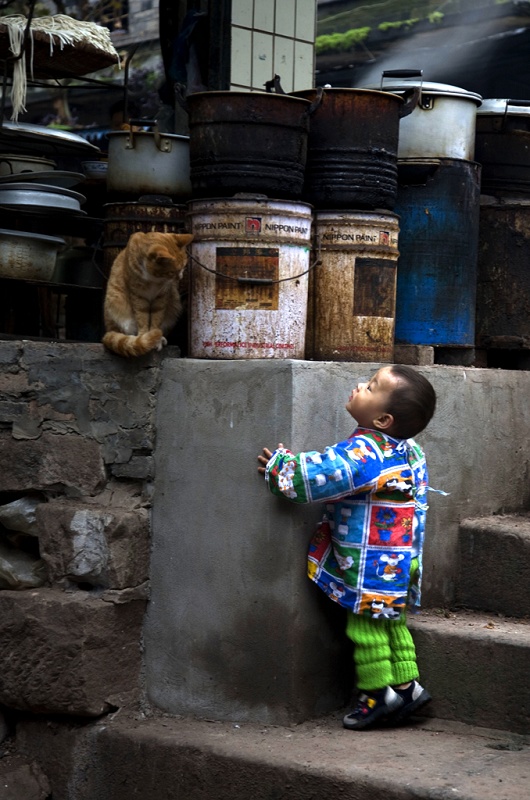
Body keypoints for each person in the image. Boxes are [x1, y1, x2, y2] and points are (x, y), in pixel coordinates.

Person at [257, 364, 437, 731]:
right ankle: (406, 687)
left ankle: (375, 694)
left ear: (383, 419)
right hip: (401, 561)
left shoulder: (366, 453)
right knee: (392, 622)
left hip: (371, 564)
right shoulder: (409, 451)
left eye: (371, 387)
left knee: (365, 629)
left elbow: (321, 476)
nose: (359, 386)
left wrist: (282, 468)